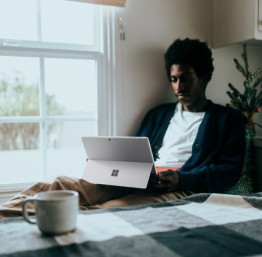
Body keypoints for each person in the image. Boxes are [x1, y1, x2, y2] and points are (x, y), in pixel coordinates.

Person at [0, 38, 246, 218]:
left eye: (186, 78)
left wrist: (181, 179)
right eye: (173, 79)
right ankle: (4, 215)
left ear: (204, 77)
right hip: (139, 178)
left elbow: (228, 172)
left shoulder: (228, 119)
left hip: (178, 187)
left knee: (107, 212)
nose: (179, 86)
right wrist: (108, 163)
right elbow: (136, 155)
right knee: (57, 185)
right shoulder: (158, 114)